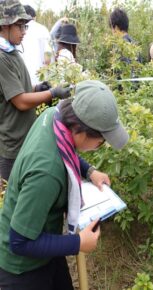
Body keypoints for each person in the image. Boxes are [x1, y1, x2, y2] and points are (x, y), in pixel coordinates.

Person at [0, 79, 129, 290]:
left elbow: (65, 152)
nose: (101, 146)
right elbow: (19, 241)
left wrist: (89, 171)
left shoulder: (54, 117)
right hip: (22, 269)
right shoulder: (46, 174)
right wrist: (77, 243)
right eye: (101, 141)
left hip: (45, 241)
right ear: (82, 131)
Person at [0, 0, 71, 183]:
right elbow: (20, 101)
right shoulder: (2, 57)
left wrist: (38, 89)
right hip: (12, 145)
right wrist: (52, 93)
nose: (24, 32)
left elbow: (19, 89)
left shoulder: (11, 53)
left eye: (25, 26)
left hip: (23, 139)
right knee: (11, 200)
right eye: (20, 26)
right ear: (5, 25)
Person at [20, 5, 52, 85]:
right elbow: (48, 55)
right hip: (39, 79)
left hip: (21, 79)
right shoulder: (42, 29)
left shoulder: (18, 29)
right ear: (34, 17)